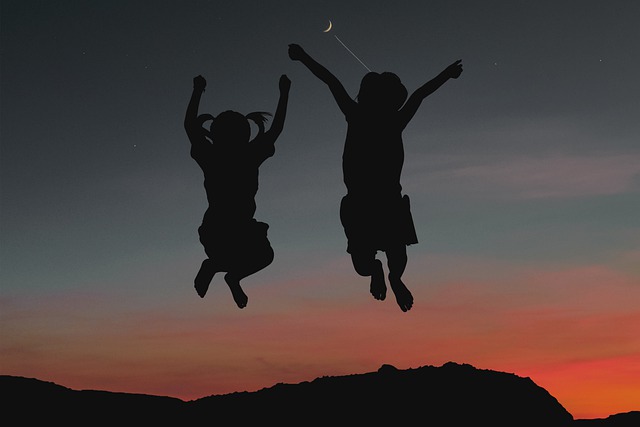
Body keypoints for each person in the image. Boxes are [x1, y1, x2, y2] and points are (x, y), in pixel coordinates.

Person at [289, 43, 462, 312]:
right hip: (368, 201)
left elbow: (331, 80)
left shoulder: (370, 116)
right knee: (373, 261)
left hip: (380, 201)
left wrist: (303, 57)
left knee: (387, 257)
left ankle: (392, 277)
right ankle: (384, 272)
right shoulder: (376, 117)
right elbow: (419, 93)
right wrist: (302, 57)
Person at [184, 74, 291, 308]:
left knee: (261, 256)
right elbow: (276, 129)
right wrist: (284, 93)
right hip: (224, 228)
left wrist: (197, 90)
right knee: (261, 256)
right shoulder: (247, 156)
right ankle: (222, 271)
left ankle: (228, 274)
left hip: (226, 227)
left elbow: (189, 126)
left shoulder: (214, 156)